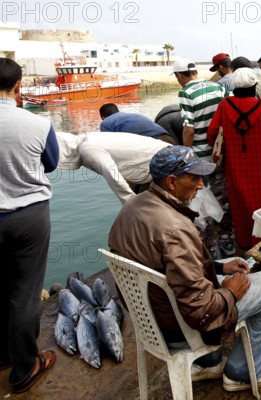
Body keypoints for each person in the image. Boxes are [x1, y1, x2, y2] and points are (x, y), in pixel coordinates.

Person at [108, 145, 261, 392]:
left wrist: (219, 267)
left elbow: (167, 266)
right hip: (182, 329)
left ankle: (208, 363)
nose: (202, 185)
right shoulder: (176, 229)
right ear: (172, 182)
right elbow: (201, 311)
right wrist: (230, 292)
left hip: (152, 321)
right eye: (194, 178)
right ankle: (242, 372)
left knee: (221, 278)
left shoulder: (132, 206)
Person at [0, 57, 58, 394]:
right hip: (28, 215)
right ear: (19, 86)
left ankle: (3, 355)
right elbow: (51, 164)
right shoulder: (37, 123)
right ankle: (24, 368)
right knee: (24, 292)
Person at [207, 68, 261, 250]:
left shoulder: (224, 105)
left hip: (235, 164)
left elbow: (213, 132)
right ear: (254, 85)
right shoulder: (260, 106)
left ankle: (245, 242)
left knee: (239, 205)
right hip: (258, 164)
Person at [173, 58, 235, 258]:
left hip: (201, 157)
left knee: (201, 199)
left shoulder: (185, 93)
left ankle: (210, 247)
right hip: (221, 152)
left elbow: (189, 129)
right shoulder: (217, 87)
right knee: (223, 196)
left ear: (180, 76)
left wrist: (185, 153)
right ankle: (228, 240)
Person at [56, 131, 170, 204]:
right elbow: (123, 165)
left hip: (166, 163)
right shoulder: (89, 138)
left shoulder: (87, 149)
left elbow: (114, 178)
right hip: (164, 158)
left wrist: (132, 206)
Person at [99, 103, 177, 144]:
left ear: (102, 117)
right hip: (167, 137)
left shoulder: (105, 123)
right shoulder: (131, 115)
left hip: (152, 142)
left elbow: (111, 143)